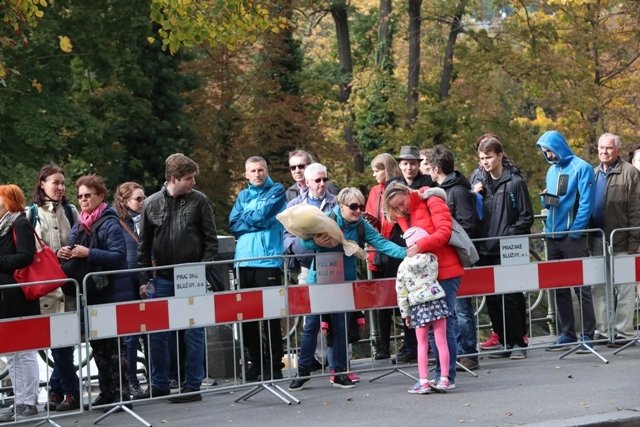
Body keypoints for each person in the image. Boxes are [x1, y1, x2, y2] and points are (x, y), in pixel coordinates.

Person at [288, 187, 406, 391]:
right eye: (353, 206)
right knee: (311, 326)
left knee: (341, 326)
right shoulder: (325, 220)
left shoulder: (361, 225)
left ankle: (340, 372)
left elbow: (381, 243)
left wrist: (408, 252)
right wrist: (314, 241)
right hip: (321, 281)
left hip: (345, 281)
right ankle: (303, 370)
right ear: (341, 206)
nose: (358, 210)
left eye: (360, 206)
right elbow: (302, 242)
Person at [136, 153, 219, 403]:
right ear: (174, 179)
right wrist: (143, 279)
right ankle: (159, 383)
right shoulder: (151, 204)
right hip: (162, 276)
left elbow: (210, 241)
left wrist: (201, 269)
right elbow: (144, 246)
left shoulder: (199, 201)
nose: (193, 182)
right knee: (157, 333)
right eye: (189, 178)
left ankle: (192, 384)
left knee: (193, 332)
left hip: (191, 274)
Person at [57, 175, 133, 410]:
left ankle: (122, 395)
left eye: (88, 195)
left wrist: (88, 253)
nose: (83, 200)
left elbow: (119, 257)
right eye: (80, 196)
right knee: (98, 347)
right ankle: (107, 392)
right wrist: (64, 253)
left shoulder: (110, 222)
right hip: (91, 293)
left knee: (114, 348)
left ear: (100, 196)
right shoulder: (81, 223)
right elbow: (75, 250)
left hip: (111, 292)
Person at [383, 181, 464, 390]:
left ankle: (445, 377)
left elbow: (444, 231)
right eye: (396, 207)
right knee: (431, 332)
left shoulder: (431, 200)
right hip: (424, 278)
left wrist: (421, 246)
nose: (402, 209)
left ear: (406, 192)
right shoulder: (403, 215)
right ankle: (437, 377)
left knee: (443, 329)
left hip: (444, 271)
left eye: (402, 203)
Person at [536, 130, 597, 352]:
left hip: (572, 237)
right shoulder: (551, 171)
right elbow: (559, 201)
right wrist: (546, 198)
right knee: (558, 287)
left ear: (558, 146)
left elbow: (586, 204)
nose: (547, 155)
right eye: (544, 152)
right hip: (552, 236)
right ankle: (567, 333)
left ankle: (588, 334)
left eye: (549, 150)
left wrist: (575, 232)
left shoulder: (582, 168)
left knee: (582, 287)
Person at [473, 137, 534, 359]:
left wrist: (507, 235)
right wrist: (474, 195)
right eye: (481, 158)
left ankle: (518, 341)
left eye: (488, 157)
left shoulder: (515, 183)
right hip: (485, 247)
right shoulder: (479, 182)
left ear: (499, 156)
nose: (485, 162)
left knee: (511, 295)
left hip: (508, 247)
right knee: (492, 297)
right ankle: (503, 339)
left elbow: (526, 217)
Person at [27, 164, 80, 412]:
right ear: (42, 184)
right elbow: (27, 253)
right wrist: (51, 254)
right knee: (58, 346)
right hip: (45, 291)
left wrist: (73, 251)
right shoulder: (31, 214)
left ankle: (63, 391)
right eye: (55, 182)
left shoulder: (71, 211)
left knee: (64, 346)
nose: (60, 187)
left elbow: (81, 239)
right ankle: (65, 390)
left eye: (63, 183)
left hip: (69, 289)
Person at [229, 156, 287, 381]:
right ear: (246, 174)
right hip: (243, 261)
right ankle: (256, 362)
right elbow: (233, 224)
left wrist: (249, 219)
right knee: (248, 318)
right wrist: (255, 219)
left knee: (271, 317)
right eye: (252, 171)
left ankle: (274, 364)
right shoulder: (243, 195)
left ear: (267, 170)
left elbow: (264, 215)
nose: (257, 174)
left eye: (260, 170)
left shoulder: (277, 190)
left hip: (268, 261)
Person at [424, 146, 481, 370]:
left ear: (436, 168)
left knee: (461, 308)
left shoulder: (456, 191)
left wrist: (444, 233)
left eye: (428, 166)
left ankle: (469, 352)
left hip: (454, 256)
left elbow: (468, 223)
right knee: (453, 310)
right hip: (445, 258)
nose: (426, 170)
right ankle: (455, 351)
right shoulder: (443, 189)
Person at [589, 134, 640, 347]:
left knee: (625, 288)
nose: (604, 151)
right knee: (599, 287)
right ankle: (604, 330)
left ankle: (624, 332)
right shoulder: (592, 173)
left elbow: (636, 209)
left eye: (609, 148)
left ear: (617, 150)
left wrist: (634, 241)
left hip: (622, 238)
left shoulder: (630, 173)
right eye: (601, 147)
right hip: (598, 239)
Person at [386, 145, 435, 364]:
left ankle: (428, 346)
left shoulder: (427, 184)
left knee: (423, 297)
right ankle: (409, 345)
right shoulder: (392, 185)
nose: (409, 167)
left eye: (413, 163)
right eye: (405, 163)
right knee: (405, 298)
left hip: (421, 247)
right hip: (398, 245)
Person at [0, 185, 39, 423]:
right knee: (12, 352)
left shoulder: (19, 223)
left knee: (24, 351)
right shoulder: (4, 225)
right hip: (6, 296)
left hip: (17, 296)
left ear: (8, 200)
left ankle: (29, 402)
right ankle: (20, 401)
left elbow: (26, 255)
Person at [396, 228, 450, 394]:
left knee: (422, 344)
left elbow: (401, 291)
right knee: (442, 342)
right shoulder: (432, 259)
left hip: (418, 306)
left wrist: (405, 313)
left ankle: (424, 381)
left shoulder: (403, 266)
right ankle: (444, 379)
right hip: (436, 301)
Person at [364, 153, 401, 360]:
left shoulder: (396, 188)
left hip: (395, 248)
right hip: (378, 250)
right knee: (382, 301)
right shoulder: (374, 191)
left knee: (400, 297)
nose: (375, 174)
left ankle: (408, 344)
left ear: (387, 169)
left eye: (378, 170)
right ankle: (382, 346)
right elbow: (372, 219)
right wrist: (370, 221)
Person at [113, 182, 147, 397]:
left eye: (144, 198)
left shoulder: (147, 219)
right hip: (126, 281)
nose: (143, 203)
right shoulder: (116, 223)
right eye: (138, 199)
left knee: (154, 332)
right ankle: (131, 381)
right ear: (125, 201)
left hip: (147, 280)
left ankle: (156, 379)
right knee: (130, 336)